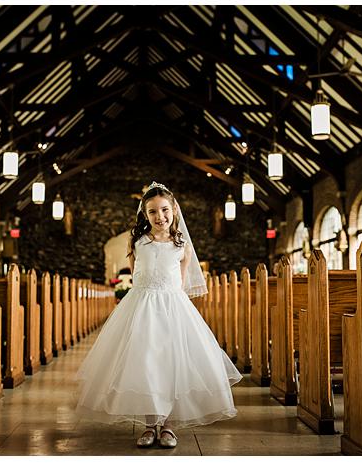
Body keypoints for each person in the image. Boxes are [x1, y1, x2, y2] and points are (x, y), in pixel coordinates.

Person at [74, 182, 242, 449]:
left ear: (174, 210)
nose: (160, 216)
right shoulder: (137, 241)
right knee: (145, 364)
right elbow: (135, 275)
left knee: (172, 365)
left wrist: (172, 303)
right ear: (145, 214)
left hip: (173, 309)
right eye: (152, 212)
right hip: (141, 307)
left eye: (164, 210)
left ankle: (170, 426)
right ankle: (150, 424)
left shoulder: (182, 246)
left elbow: (182, 284)